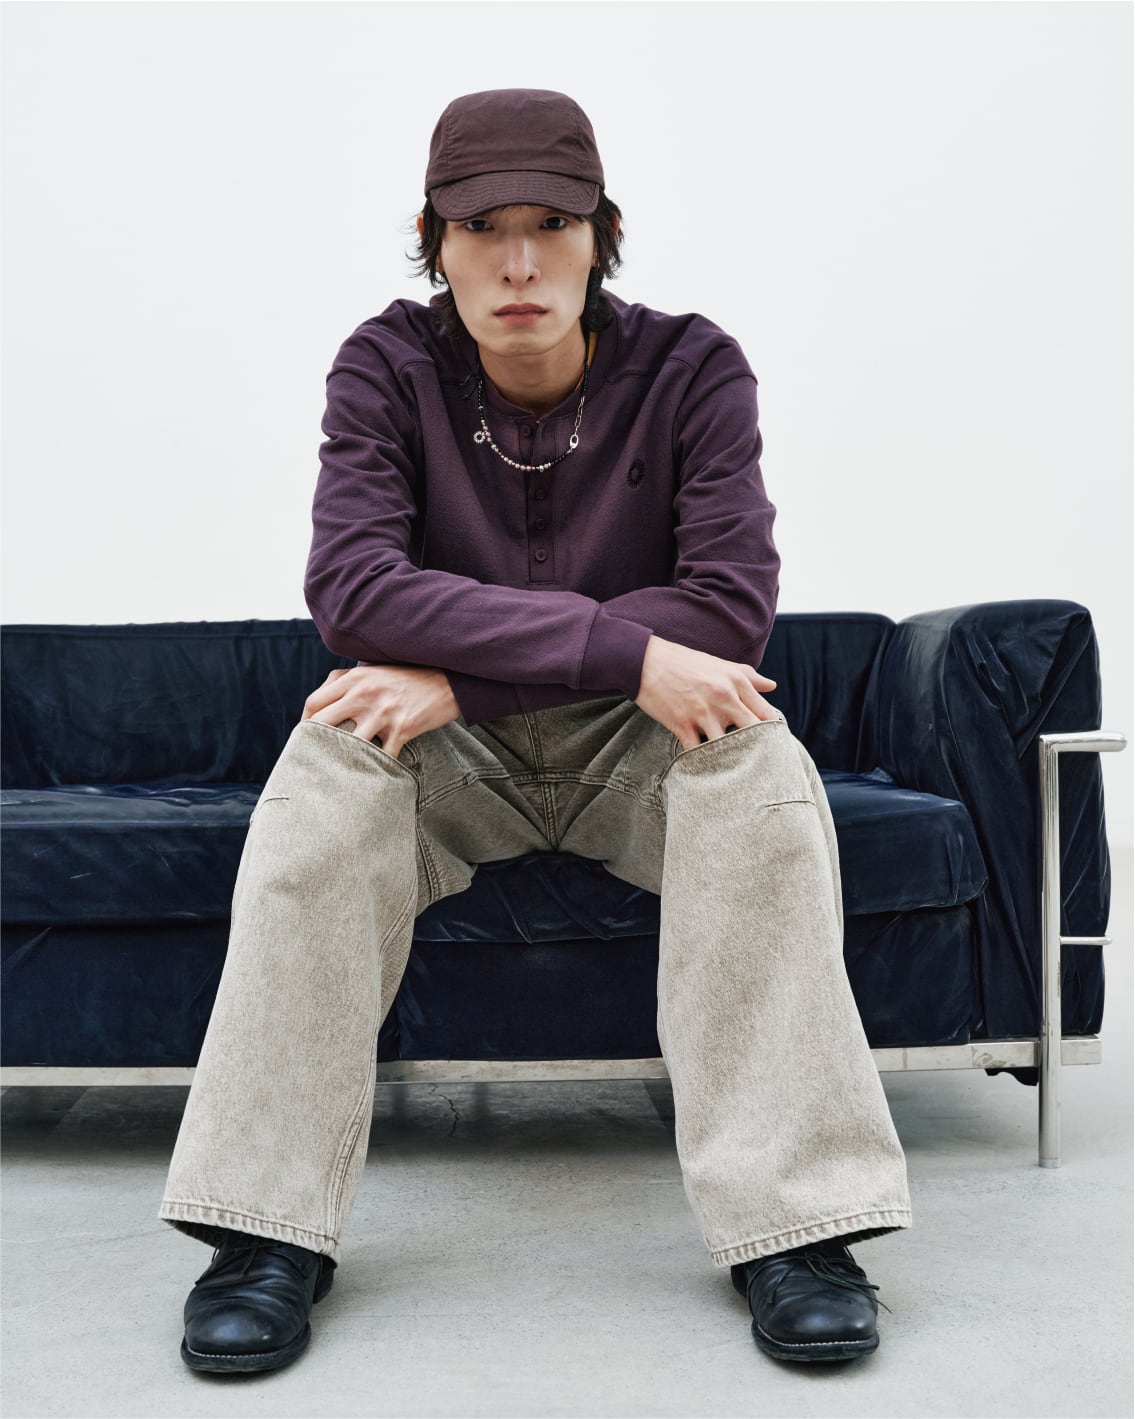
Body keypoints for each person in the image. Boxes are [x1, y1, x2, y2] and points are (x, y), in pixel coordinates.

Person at [160, 88, 911, 1375]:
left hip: (634, 741)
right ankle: (263, 1231)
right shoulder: (385, 365)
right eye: (481, 228)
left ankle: (795, 1230)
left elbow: (727, 607)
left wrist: (462, 680)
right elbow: (354, 591)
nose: (519, 264)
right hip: (461, 762)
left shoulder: (694, 367)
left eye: (552, 225)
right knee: (327, 765)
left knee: (755, 764)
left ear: (602, 233)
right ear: (432, 240)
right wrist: (623, 647)